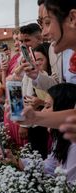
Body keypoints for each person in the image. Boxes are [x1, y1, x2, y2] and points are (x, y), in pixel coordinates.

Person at [19, 0, 76, 143]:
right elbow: (58, 87)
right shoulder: (54, 50)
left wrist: (38, 117)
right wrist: (37, 76)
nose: (43, 33)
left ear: (72, 18)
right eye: (41, 24)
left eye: (47, 22)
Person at [0, 83, 76, 183]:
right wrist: (15, 160)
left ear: (63, 109)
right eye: (43, 106)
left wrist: (35, 118)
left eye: (47, 106)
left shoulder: (73, 145)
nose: (43, 111)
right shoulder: (59, 139)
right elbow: (49, 167)